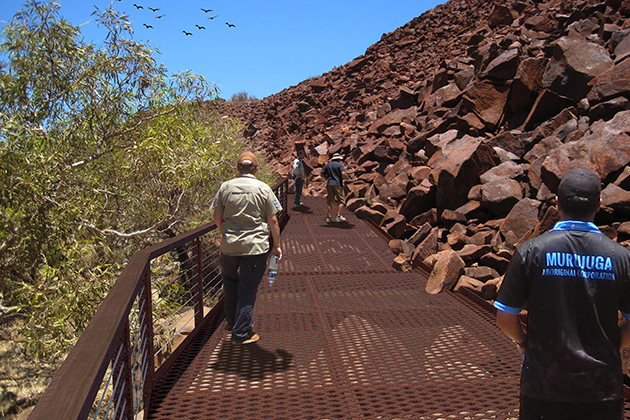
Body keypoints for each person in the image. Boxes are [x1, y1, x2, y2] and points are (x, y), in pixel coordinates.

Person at [494, 168, 630, 420]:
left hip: (543, 387)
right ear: (599, 204)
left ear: (556, 203)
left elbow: (504, 318)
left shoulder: (531, 252)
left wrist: (525, 341)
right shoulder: (621, 258)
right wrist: (610, 344)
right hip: (601, 390)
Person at [212, 151, 283, 344]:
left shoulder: (225, 188)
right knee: (247, 288)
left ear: (237, 168)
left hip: (229, 246)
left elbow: (217, 216)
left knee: (230, 282)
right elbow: (273, 220)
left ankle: (232, 322)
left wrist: (225, 235)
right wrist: (276, 246)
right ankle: (241, 334)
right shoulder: (263, 188)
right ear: (256, 169)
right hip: (255, 248)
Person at [322, 153, 347, 223]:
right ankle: (338, 216)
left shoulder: (328, 165)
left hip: (330, 184)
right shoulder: (339, 165)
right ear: (338, 159)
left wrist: (326, 178)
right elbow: (343, 174)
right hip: (338, 184)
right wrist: (343, 178)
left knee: (330, 201)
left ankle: (329, 217)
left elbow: (322, 174)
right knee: (341, 201)